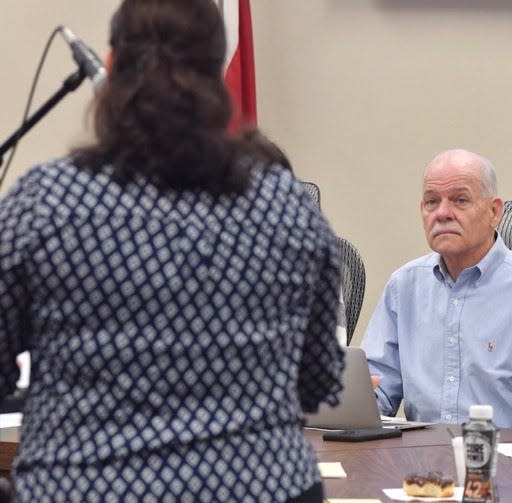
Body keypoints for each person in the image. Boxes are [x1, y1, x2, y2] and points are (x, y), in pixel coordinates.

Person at [0, 1, 345, 501]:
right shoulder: (290, 207)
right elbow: (316, 385)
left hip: (84, 488)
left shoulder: (44, 203)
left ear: (111, 69)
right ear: (216, 74)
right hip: (265, 489)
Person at [361, 148, 512, 432]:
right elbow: (374, 392)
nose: (443, 213)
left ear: (494, 212)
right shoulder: (404, 286)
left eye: (460, 200)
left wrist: (478, 462)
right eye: (432, 201)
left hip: (508, 470)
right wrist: (352, 403)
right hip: (422, 469)